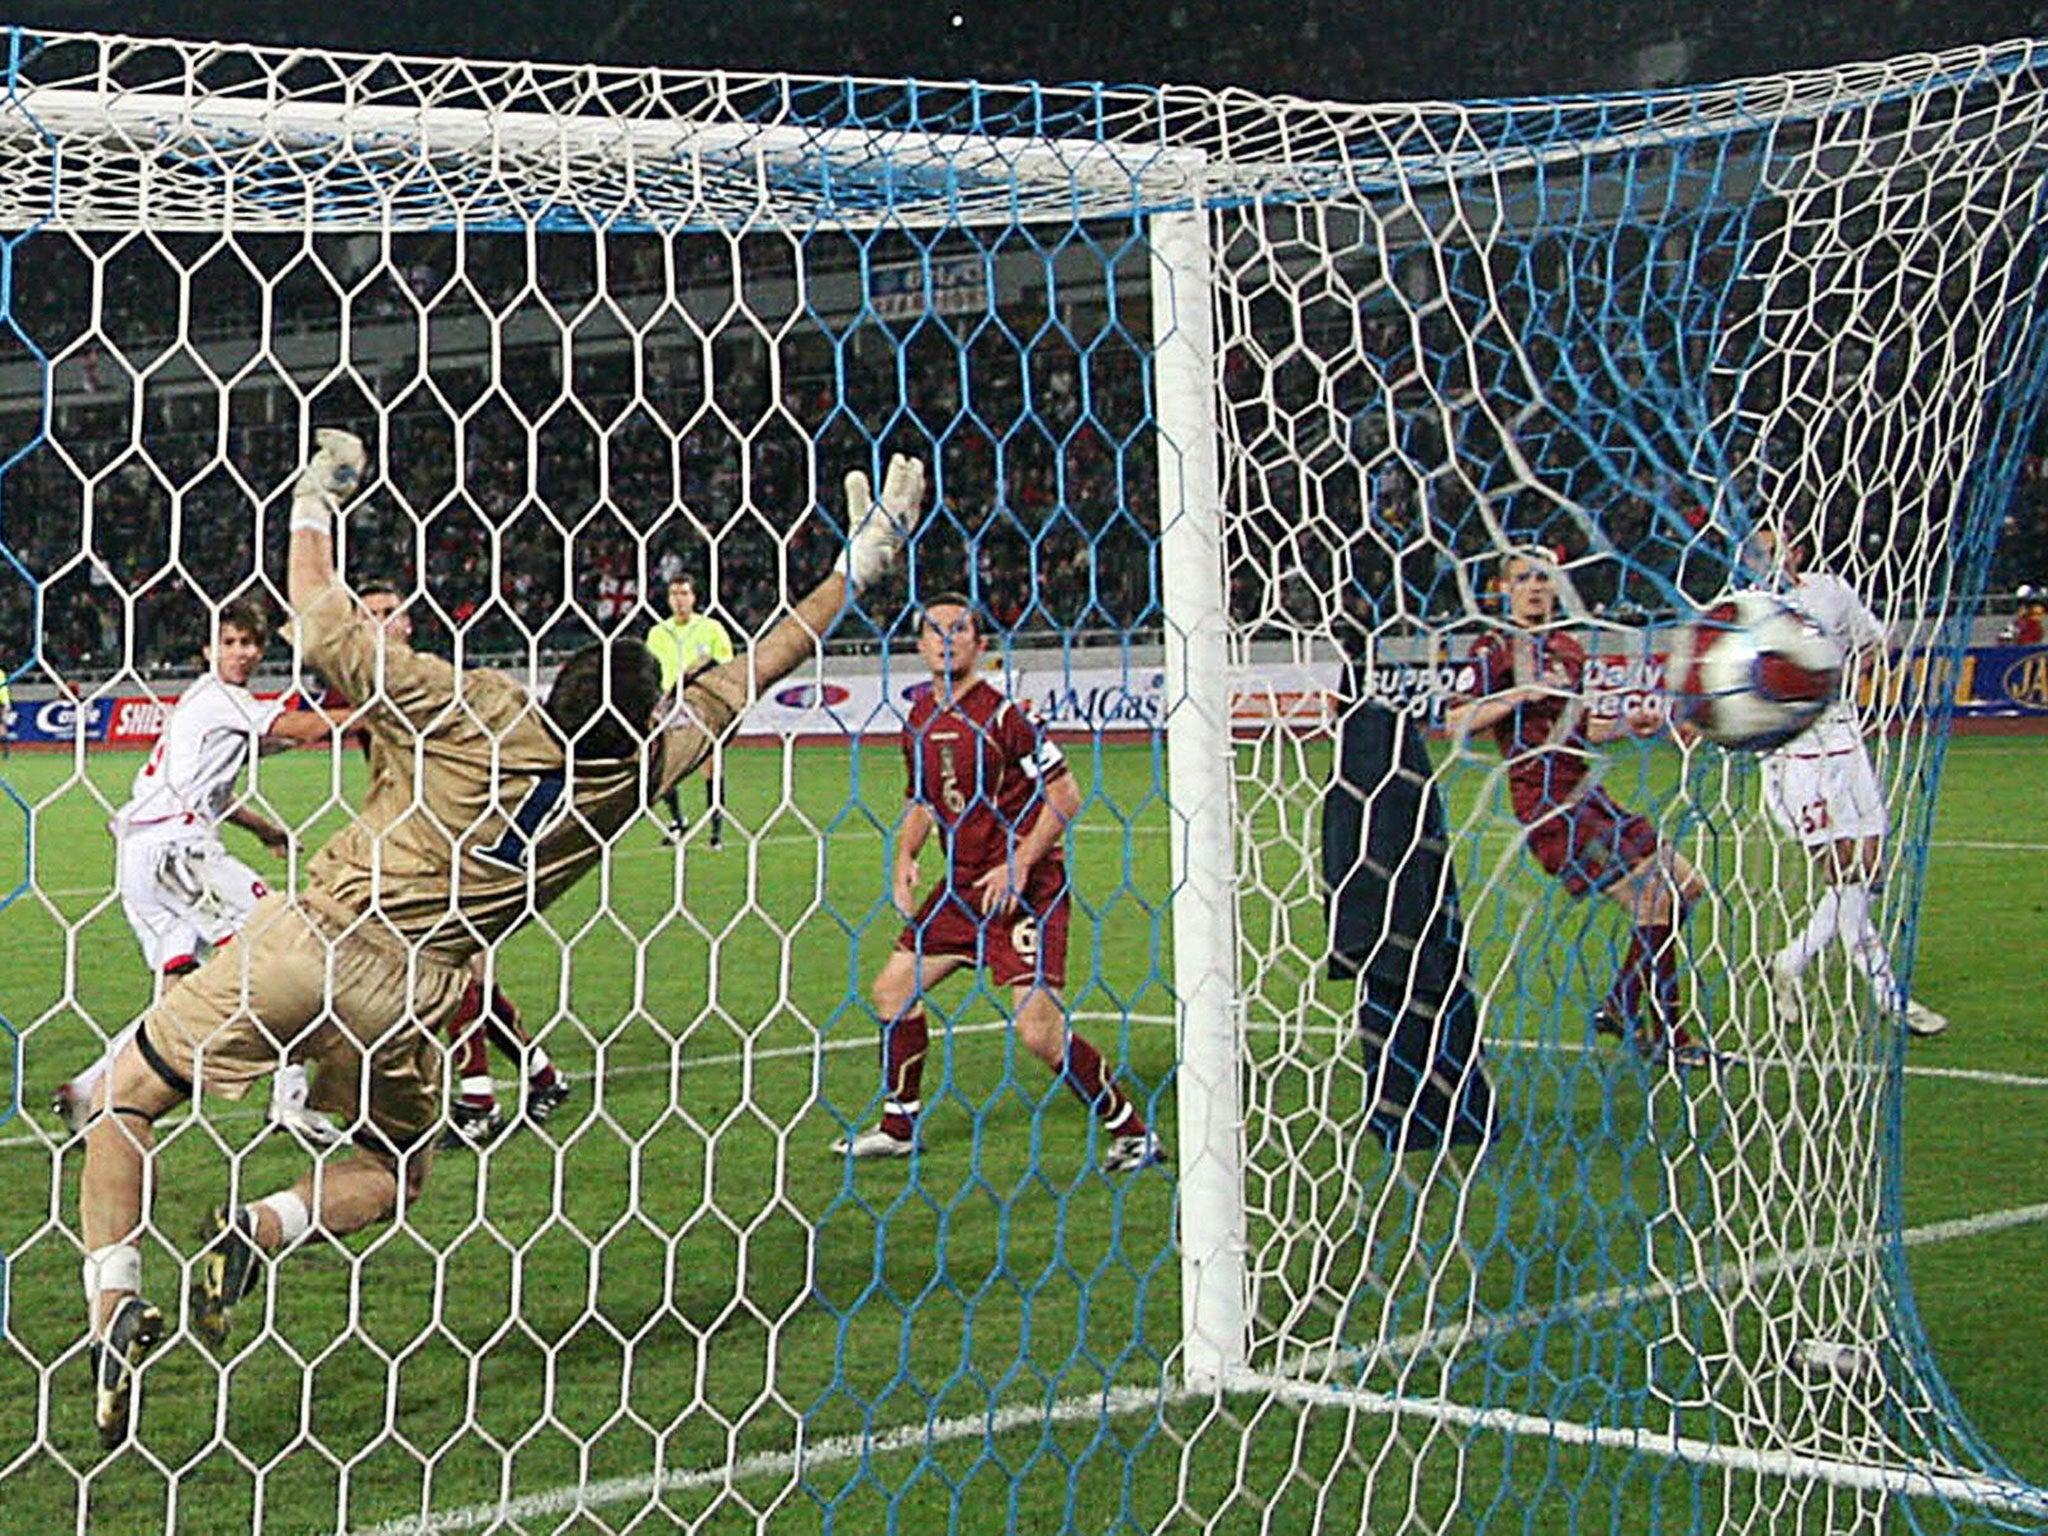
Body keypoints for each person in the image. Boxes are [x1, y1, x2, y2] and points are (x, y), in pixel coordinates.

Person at [76, 430, 919, 1446]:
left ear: (556, 681)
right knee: (392, 1173)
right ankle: (258, 1229)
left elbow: (319, 615)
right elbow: (760, 664)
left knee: (126, 1099)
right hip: (415, 997)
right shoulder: (628, 780)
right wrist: (853, 572)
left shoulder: (471, 710)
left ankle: (114, 1301)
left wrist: (311, 502)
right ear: (644, 718)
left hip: (314, 933)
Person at [832, 593, 1162, 1172]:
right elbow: (923, 803)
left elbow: (1065, 795)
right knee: (892, 992)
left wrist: (1020, 863)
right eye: (934, 630)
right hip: (961, 890)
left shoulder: (1006, 716)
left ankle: (1132, 1132)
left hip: (1024, 892)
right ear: (919, 645)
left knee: (1037, 1031)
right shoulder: (917, 720)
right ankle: (898, 1126)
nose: (947, 638)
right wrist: (905, 856)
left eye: (960, 629)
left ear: (980, 645)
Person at [49, 600, 350, 1146]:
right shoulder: (219, 698)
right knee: (290, 944)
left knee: (179, 998)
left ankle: (89, 1091)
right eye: (230, 642)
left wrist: (264, 830)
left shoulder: (207, 707)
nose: (242, 653)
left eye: (251, 643)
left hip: (143, 856)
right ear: (208, 650)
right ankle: (291, 1099)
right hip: (175, 851)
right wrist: (376, 709)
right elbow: (300, 729)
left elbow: (220, 793)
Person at [1444, 549, 1712, 1068]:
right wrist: (1523, 692)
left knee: (1688, 886)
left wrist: (1631, 724)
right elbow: (1457, 721)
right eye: (1524, 579)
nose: (1536, 587)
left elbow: (1583, 730)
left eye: (1544, 577)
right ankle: (1668, 1036)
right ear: (1504, 588)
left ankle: (1625, 1005)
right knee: (1655, 900)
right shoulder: (1492, 647)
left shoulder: (1567, 647)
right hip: (1548, 806)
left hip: (1589, 794)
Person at [352, 581, 572, 1149]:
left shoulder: (434, 686)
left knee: (448, 972)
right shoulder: (376, 699)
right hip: (427, 852)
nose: (380, 623)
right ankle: (542, 1076)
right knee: (464, 973)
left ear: (406, 623)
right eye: (369, 615)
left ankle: (478, 1102)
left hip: (468, 848)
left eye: (388, 613)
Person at [1752, 529, 1946, 1037]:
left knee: (1870, 868)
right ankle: (1888, 996)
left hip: (1845, 738)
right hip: (1792, 751)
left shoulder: (1830, 592)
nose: (1768, 558)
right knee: (1845, 871)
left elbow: (1876, 641)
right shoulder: (1747, 606)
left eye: (1777, 547)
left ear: (1796, 549)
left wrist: (1844, 677)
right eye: (1757, 550)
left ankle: (1791, 962)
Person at [645, 574, 735, 847]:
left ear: (694, 597)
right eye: (674, 594)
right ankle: (678, 820)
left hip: (701, 704)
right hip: (668, 704)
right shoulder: (658, 633)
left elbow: (726, 665)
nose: (679, 599)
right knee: (666, 765)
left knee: (710, 764)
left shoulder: (712, 628)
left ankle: (716, 830)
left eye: (684, 593)